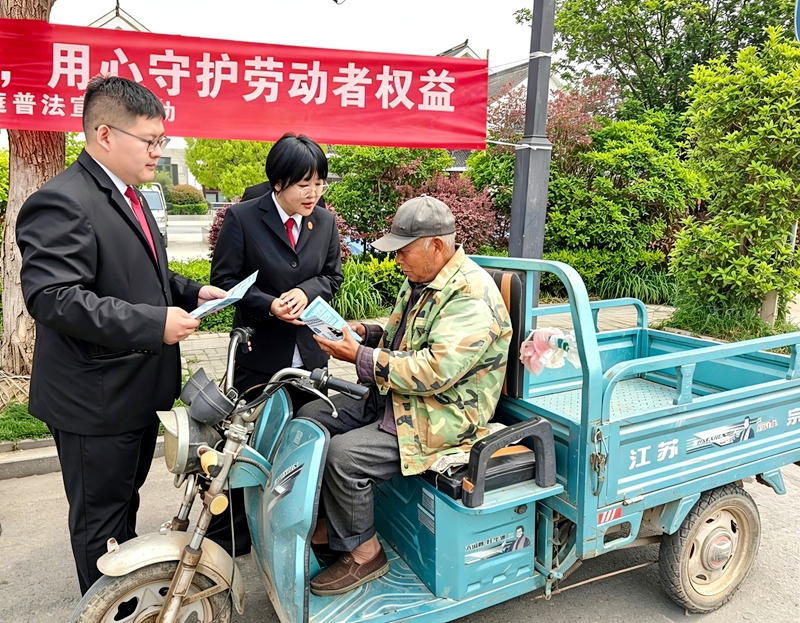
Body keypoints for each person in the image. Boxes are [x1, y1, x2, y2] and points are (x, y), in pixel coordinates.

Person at [15, 76, 225, 594]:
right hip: (96, 401)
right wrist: (155, 323)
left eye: (162, 140)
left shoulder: (130, 195)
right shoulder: (62, 200)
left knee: (122, 509)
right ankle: (106, 608)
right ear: (105, 135)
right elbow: (54, 298)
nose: (159, 151)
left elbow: (144, 274)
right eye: (150, 140)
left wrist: (190, 291)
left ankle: (123, 600)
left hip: (135, 392)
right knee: (100, 523)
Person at [296, 196, 513, 596]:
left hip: (445, 413)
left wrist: (360, 356)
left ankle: (366, 553)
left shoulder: (471, 295)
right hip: (402, 395)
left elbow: (435, 369)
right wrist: (365, 334)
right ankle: (333, 526)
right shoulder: (424, 279)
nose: (396, 259)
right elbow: (405, 339)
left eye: (403, 250)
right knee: (312, 415)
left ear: (437, 245)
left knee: (345, 456)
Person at [208, 132, 343, 555]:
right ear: (278, 182)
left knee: (304, 445)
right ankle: (232, 536)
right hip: (260, 352)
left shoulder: (325, 222)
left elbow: (332, 276)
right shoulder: (243, 218)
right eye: (304, 184)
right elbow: (224, 282)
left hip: (310, 353)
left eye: (319, 183)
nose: (314, 193)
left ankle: (294, 530)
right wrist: (269, 304)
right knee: (246, 445)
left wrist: (306, 290)